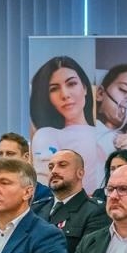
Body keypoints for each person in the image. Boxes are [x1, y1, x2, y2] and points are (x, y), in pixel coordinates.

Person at [29, 56, 104, 194]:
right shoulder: (46, 135)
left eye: (71, 84)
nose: (65, 94)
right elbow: (46, 191)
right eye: (54, 89)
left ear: (85, 88)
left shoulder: (106, 133)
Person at [32, 148, 106, 253]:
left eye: (62, 165)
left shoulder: (96, 211)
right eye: (51, 167)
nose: (54, 171)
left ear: (80, 173)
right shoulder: (36, 208)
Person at [0, 131, 51, 202]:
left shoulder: (43, 194)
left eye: (10, 154)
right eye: (1, 154)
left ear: (26, 157)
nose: (3, 158)